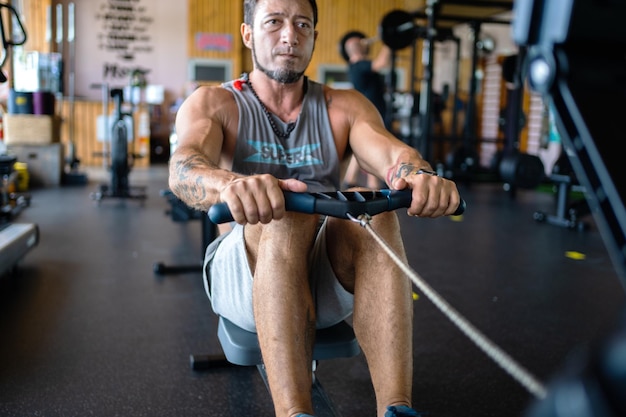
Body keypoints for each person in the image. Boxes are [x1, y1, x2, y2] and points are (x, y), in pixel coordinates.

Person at [168, 1, 461, 416]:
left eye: (302, 23)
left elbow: (394, 155)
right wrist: (234, 185)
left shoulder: (343, 106)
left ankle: (397, 410)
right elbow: (184, 168)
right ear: (248, 34)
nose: (290, 34)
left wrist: (418, 176)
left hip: (325, 274)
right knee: (289, 214)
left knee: (372, 208)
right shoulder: (216, 103)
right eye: (274, 22)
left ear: (314, 38)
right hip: (243, 279)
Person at [340, 31, 392, 189]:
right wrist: (389, 42)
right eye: (360, 42)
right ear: (354, 48)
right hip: (371, 114)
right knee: (372, 147)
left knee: (363, 148)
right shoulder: (360, 65)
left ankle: (351, 179)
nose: (364, 43)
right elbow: (382, 62)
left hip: (369, 112)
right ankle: (372, 183)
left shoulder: (356, 66)